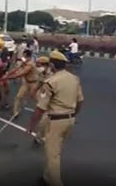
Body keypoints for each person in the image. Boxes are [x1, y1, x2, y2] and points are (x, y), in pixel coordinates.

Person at [27, 50, 84, 186]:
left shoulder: (52, 82)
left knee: (53, 155)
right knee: (55, 150)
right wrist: (74, 114)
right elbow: (80, 100)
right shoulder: (74, 78)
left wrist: (31, 125)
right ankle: (47, 177)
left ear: (52, 65)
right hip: (69, 119)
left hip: (56, 121)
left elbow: (41, 108)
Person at [4, 49, 36, 118]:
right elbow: (16, 69)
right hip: (26, 83)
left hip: (34, 83)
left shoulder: (30, 64)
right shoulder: (24, 62)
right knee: (18, 97)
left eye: (23, 55)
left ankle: (43, 112)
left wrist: (10, 77)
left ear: (26, 56)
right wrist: (7, 75)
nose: (22, 57)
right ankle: (15, 112)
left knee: (36, 99)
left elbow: (22, 73)